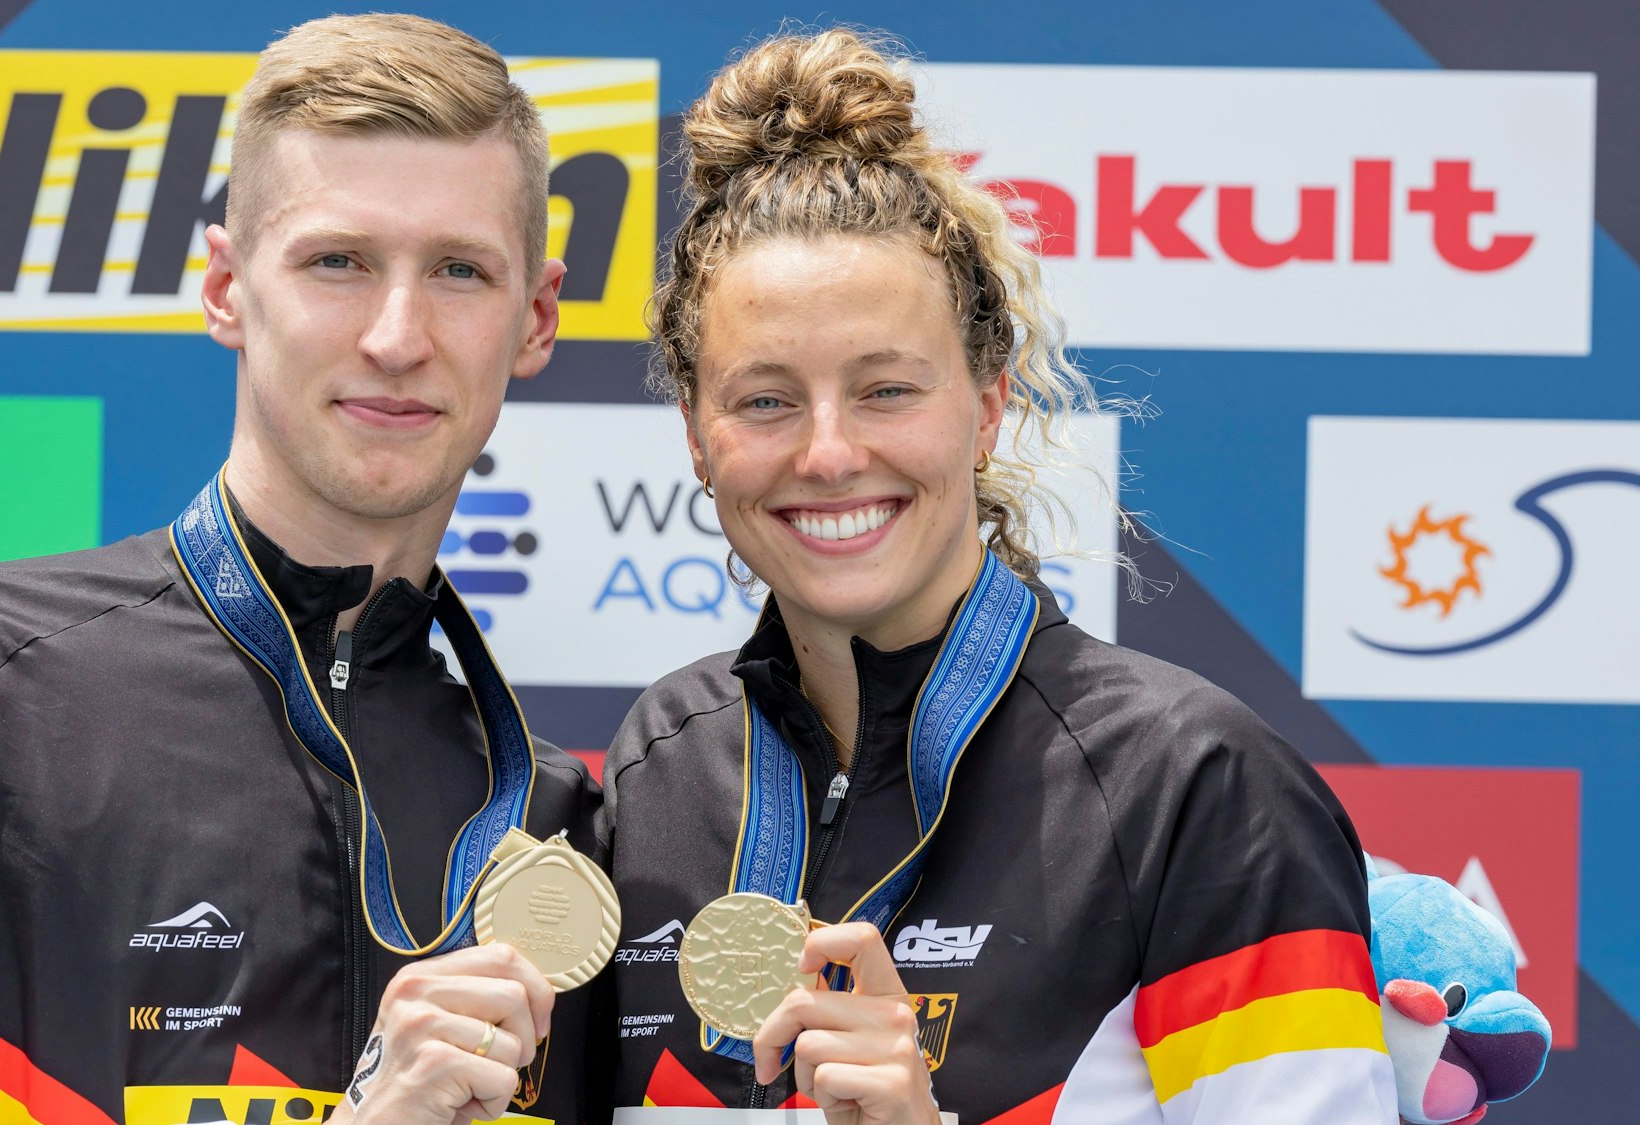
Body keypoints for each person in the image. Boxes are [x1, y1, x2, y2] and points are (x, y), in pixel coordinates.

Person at [0, 14, 599, 1125]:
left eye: (458, 272)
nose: (397, 333)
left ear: (532, 320)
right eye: (338, 262)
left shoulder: (548, 820)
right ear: (227, 288)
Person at [599, 28, 1399, 1125]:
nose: (827, 453)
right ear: (697, 435)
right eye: (765, 400)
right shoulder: (659, 766)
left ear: (985, 407)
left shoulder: (1193, 785)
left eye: (885, 390)